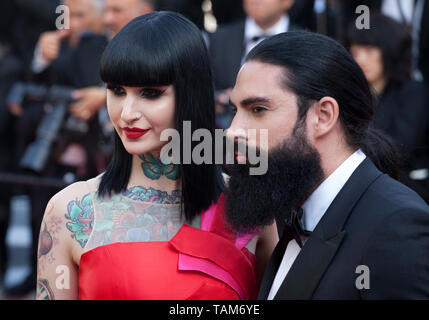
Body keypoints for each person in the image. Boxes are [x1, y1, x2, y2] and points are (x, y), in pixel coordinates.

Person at [36, 11, 278, 300]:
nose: (127, 113)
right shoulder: (70, 210)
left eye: (150, 93)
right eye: (116, 90)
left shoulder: (251, 210)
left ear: (192, 95)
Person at [224, 31, 429, 299]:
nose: (232, 131)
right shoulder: (290, 212)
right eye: (234, 110)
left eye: (258, 109)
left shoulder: (396, 226)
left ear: (323, 116)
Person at [348, 12, 429, 203]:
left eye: (369, 50)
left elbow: (400, 146)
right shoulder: (350, 94)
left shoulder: (413, 92)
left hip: (409, 191)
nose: (361, 59)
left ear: (388, 50)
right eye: (356, 51)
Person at [209, 0, 299, 128]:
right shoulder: (219, 38)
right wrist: (220, 98)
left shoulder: (305, 44)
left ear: (287, 2)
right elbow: (202, 90)